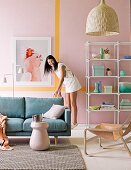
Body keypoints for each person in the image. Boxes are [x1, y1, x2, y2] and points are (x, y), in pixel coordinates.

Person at [44, 55, 81, 128]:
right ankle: (69, 122)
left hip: (72, 82)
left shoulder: (61, 65)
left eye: (51, 61)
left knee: (73, 103)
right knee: (67, 104)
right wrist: (60, 90)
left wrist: (57, 90)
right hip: (67, 84)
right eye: (49, 62)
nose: (51, 63)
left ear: (54, 60)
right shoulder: (54, 69)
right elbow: (60, 80)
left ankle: (75, 122)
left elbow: (62, 78)